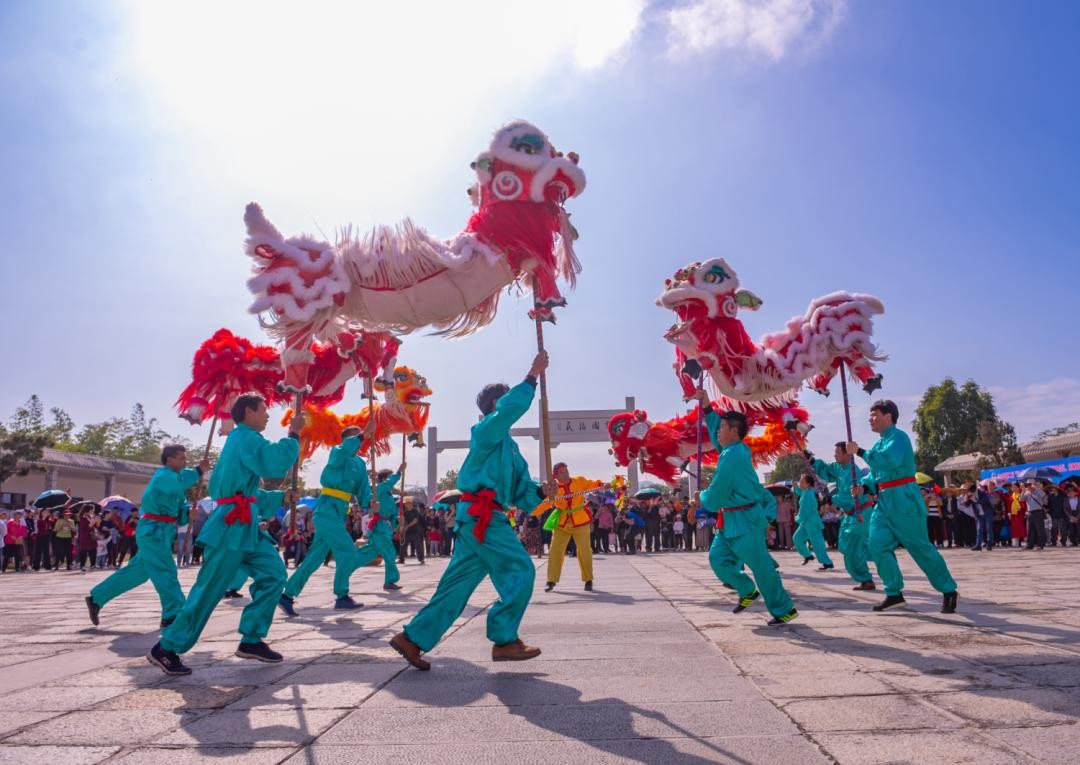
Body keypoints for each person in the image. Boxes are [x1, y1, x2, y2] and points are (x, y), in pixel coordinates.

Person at [390, 352, 552, 670]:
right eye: (505, 400)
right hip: (482, 516)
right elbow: (510, 409)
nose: (510, 406)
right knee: (521, 569)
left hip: (481, 517)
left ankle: (412, 639)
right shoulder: (485, 432)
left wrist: (541, 492)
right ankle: (504, 639)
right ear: (495, 406)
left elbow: (522, 492)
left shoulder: (512, 450)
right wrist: (532, 376)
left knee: (456, 586)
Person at [147, 393, 302, 676]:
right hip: (232, 525)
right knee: (209, 589)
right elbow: (273, 462)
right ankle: (166, 647)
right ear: (248, 412)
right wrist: (293, 435)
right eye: (263, 410)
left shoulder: (242, 440)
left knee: (273, 574)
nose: (267, 415)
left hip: (246, 523)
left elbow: (246, 493)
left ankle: (252, 638)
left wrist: (279, 497)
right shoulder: (245, 437)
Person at [691, 391, 796, 626]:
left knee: (761, 567)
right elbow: (716, 435)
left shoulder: (732, 456)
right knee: (718, 559)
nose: (718, 432)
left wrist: (702, 497)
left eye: (723, 427)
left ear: (734, 431)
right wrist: (706, 406)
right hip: (729, 521)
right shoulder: (731, 451)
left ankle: (784, 609)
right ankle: (747, 590)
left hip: (745, 521)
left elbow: (718, 492)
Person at [847, 400, 958, 613]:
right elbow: (875, 474)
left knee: (920, 548)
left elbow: (889, 461)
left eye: (874, 414)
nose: (870, 419)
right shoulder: (878, 444)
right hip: (884, 503)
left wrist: (859, 452)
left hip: (904, 499)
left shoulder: (899, 438)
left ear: (888, 416)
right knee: (877, 545)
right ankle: (893, 593)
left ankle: (948, 590)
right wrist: (864, 486)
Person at [87, 445, 208, 629]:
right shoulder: (163, 476)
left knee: (138, 572)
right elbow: (179, 483)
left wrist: (188, 513)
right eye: (182, 458)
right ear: (169, 460)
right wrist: (198, 471)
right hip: (152, 531)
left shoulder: (176, 482)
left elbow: (180, 508)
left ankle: (97, 597)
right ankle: (173, 613)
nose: (185, 462)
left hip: (163, 531)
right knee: (166, 570)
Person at [279, 426, 384, 616]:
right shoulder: (337, 452)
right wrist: (362, 435)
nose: (359, 441)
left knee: (314, 559)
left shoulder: (360, 464)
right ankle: (341, 595)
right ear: (346, 440)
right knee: (348, 551)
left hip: (338, 512)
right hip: (326, 509)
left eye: (359, 437)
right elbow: (345, 450)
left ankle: (287, 594)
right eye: (355, 438)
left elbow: (363, 490)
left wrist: (370, 502)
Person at [810, 442, 874, 589]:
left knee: (852, 549)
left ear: (847, 454)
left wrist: (831, 499)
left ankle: (866, 578)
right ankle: (871, 557)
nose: (835, 455)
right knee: (845, 546)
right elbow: (826, 469)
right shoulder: (839, 467)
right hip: (849, 515)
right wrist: (812, 460)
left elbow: (850, 496)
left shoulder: (853, 473)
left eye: (838, 453)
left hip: (860, 513)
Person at [537, 464, 603, 592]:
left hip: (580, 520)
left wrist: (602, 484)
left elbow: (592, 484)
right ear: (556, 476)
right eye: (562, 472)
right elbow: (544, 505)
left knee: (584, 550)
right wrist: (532, 511)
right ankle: (551, 580)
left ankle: (588, 579)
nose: (566, 474)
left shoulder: (579, 481)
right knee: (555, 550)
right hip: (562, 522)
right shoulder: (553, 488)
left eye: (566, 471)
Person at [350, 464, 406, 591]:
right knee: (390, 553)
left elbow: (392, 515)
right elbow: (388, 483)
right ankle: (390, 580)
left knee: (370, 553)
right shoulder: (378, 489)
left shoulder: (389, 496)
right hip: (379, 527)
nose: (392, 481)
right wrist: (398, 472)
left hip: (385, 527)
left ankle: (349, 564)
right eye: (390, 477)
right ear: (384, 479)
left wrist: (398, 520)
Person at [792, 474, 834, 571]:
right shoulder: (806, 491)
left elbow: (804, 511)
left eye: (802, 481)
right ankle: (808, 555)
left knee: (817, 543)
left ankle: (827, 562)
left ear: (808, 484)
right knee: (797, 538)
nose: (800, 483)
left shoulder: (809, 495)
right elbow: (799, 491)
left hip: (811, 521)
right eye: (800, 481)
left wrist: (797, 518)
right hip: (805, 522)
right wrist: (796, 487)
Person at [1021, 481, 1048, 550]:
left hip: (1038, 512)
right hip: (1030, 513)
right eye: (1026, 486)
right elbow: (1021, 499)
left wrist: (1036, 487)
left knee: (1039, 529)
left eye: (1029, 485)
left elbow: (1044, 495)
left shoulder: (1037, 491)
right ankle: (1030, 545)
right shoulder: (1027, 493)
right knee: (1030, 529)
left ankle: (1040, 545)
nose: (1028, 487)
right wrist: (1023, 491)